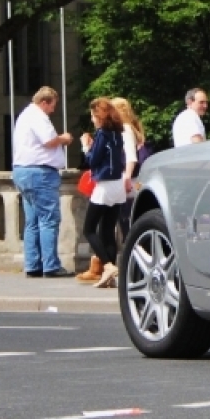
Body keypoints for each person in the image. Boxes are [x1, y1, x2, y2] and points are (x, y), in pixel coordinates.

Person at [11, 87, 73, 278]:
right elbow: (48, 141)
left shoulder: (24, 116)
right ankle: (51, 265)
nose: (53, 110)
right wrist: (64, 138)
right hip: (40, 173)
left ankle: (32, 265)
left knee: (32, 222)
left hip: (22, 171)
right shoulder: (38, 116)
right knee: (48, 220)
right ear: (44, 102)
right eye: (52, 106)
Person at [79, 98, 129, 289]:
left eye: (93, 116)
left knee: (89, 229)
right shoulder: (118, 133)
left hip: (105, 185)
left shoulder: (102, 134)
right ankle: (112, 273)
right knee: (107, 230)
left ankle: (107, 266)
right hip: (117, 184)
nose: (92, 120)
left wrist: (86, 146)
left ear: (99, 116)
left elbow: (92, 160)